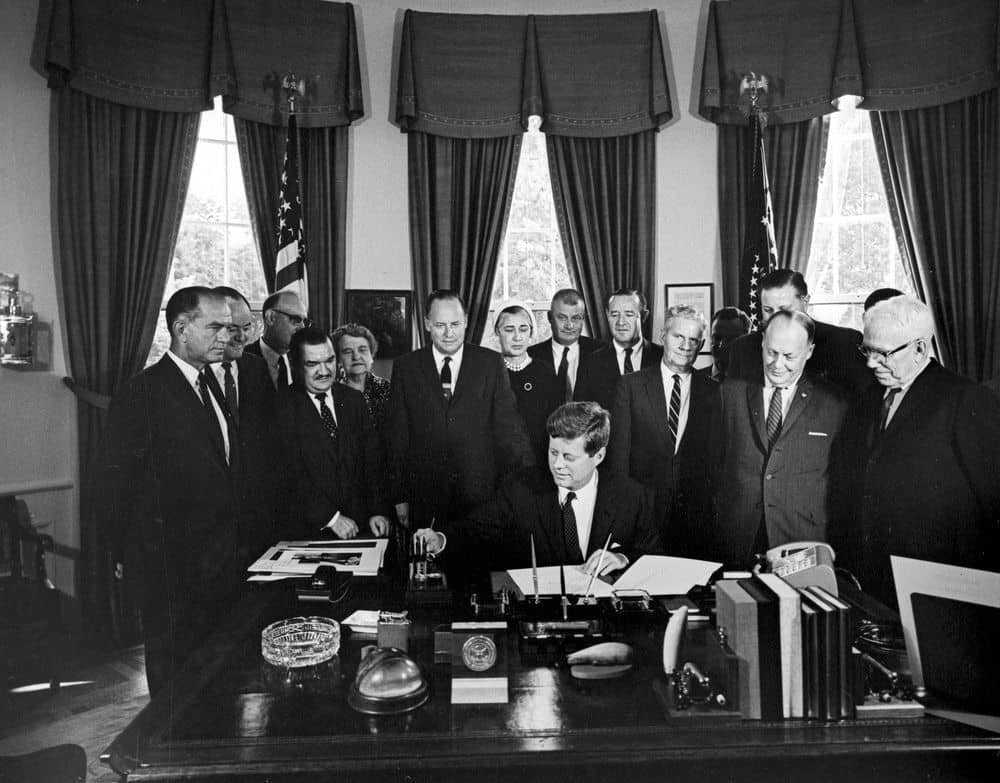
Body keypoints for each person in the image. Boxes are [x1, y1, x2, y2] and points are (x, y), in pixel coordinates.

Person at [93, 286, 238, 695]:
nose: (225, 336)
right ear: (180, 328)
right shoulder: (143, 391)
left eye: (228, 327)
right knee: (174, 683)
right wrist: (121, 552)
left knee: (212, 678)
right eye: (215, 327)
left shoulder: (213, 384)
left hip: (218, 561)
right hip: (168, 567)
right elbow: (113, 482)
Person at [839, 295, 1000, 607]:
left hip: (942, 587)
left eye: (883, 354)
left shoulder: (966, 401)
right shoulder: (868, 397)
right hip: (875, 580)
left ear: (920, 349)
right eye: (867, 351)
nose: (872, 363)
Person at [414, 402, 662, 581]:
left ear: (598, 455)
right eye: (553, 453)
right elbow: (475, 530)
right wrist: (440, 539)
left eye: (569, 457)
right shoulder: (522, 487)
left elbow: (654, 557)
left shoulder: (632, 496)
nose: (557, 465)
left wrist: (622, 559)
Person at [383, 290, 534, 531]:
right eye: (440, 325)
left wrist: (520, 492)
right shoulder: (406, 367)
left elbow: (510, 432)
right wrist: (399, 496)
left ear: (465, 321)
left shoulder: (490, 364)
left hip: (480, 498)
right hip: (424, 499)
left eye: (455, 324)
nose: (448, 332)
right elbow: (397, 438)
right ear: (427, 324)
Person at [713, 310, 848, 568]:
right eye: (771, 352)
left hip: (801, 540)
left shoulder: (834, 404)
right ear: (762, 342)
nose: (777, 364)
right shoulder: (729, 394)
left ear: (809, 351)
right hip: (738, 539)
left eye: (789, 356)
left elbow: (839, 483)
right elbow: (713, 465)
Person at [609, 305, 720, 554]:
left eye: (693, 340)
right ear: (662, 336)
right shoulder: (630, 387)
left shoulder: (714, 392)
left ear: (701, 344)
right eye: (678, 337)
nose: (685, 345)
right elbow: (618, 460)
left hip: (694, 520)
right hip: (642, 515)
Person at [276, 327, 392, 539]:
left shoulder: (353, 400)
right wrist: (330, 518)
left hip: (361, 528)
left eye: (329, 361)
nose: (324, 371)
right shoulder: (280, 407)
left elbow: (372, 461)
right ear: (295, 366)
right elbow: (288, 476)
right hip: (309, 531)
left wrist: (378, 510)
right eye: (312, 364)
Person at [209, 286, 279, 562]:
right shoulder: (194, 378)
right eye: (231, 328)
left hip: (256, 521)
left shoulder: (256, 368)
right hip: (212, 525)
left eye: (247, 326)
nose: (242, 336)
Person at [726, 269, 871, 398]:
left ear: (806, 302)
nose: (777, 318)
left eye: (784, 310)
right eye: (768, 310)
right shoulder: (742, 348)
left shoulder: (843, 343)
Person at [494, 303, 563, 466]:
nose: (517, 337)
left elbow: (557, 425)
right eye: (509, 330)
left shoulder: (545, 371)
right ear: (497, 332)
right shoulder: (488, 371)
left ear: (531, 332)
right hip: (498, 463)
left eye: (523, 329)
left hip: (541, 462)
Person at [575, 288, 663, 411]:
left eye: (629, 314)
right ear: (607, 316)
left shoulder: (662, 357)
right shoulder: (590, 363)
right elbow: (581, 415)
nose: (621, 322)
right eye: (615, 315)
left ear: (644, 316)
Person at [527, 288, 602, 401]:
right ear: (549, 317)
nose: (569, 325)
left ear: (583, 319)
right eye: (562, 318)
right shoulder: (530, 356)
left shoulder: (603, 352)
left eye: (576, 318)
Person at [332, 322, 392, 429]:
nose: (356, 356)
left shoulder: (388, 389)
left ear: (371, 355)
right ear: (337, 359)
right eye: (348, 351)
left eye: (362, 350)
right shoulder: (330, 394)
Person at [244, 291, 308, 389]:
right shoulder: (242, 359)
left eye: (305, 321)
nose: (302, 327)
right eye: (295, 320)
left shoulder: (306, 361)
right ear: (271, 317)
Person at [703, 306, 751, 381]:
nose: (722, 345)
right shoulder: (693, 381)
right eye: (717, 338)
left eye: (730, 339)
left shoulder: (759, 383)